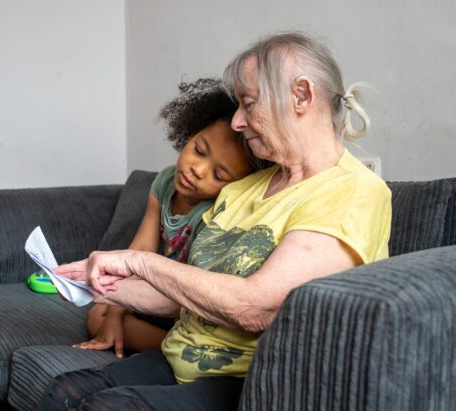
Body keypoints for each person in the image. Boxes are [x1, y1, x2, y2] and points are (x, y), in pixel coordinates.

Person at [39, 31, 392, 411]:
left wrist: (138, 261)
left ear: (301, 96)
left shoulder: (354, 191)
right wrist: (94, 285)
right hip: (178, 358)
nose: (237, 121)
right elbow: (182, 298)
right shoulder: (243, 189)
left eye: (249, 103)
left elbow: (256, 309)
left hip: (247, 379)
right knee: (65, 392)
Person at [78, 78, 262, 359]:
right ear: (189, 132)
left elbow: (199, 289)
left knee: (108, 318)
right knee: (98, 316)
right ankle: (151, 339)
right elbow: (138, 253)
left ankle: (175, 347)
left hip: (186, 304)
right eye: (199, 150)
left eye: (219, 175)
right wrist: (115, 315)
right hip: (151, 290)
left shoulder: (216, 212)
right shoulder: (164, 183)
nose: (197, 170)